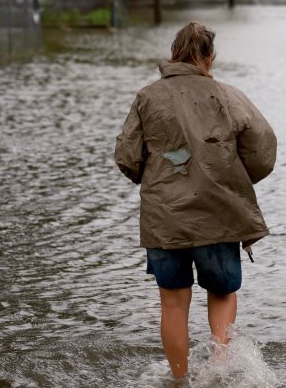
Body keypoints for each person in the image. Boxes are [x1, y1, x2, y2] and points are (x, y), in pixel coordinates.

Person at [115, 22, 277, 379]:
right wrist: (230, 176)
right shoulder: (228, 96)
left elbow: (127, 158)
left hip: (164, 218)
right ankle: (219, 372)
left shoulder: (146, 97)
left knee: (173, 304)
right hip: (219, 213)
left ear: (174, 54)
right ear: (209, 57)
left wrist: (157, 177)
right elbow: (263, 151)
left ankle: (178, 380)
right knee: (221, 293)